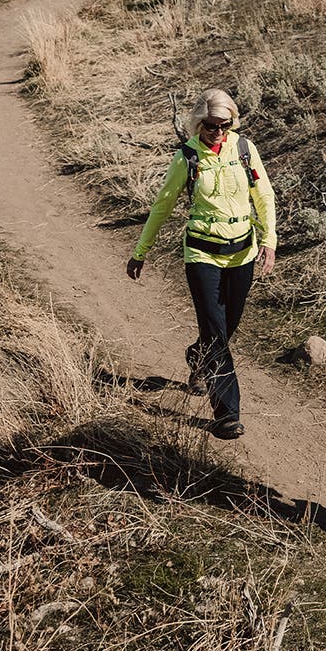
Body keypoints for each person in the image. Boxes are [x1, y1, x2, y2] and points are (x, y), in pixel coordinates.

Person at [127, 89, 276, 439]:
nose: (218, 133)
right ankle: (226, 413)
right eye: (210, 126)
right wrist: (140, 251)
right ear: (198, 124)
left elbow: (264, 195)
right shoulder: (187, 157)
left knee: (226, 327)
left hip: (242, 253)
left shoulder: (243, 149)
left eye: (224, 125)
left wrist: (269, 241)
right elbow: (162, 206)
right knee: (216, 331)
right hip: (202, 255)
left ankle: (198, 357)